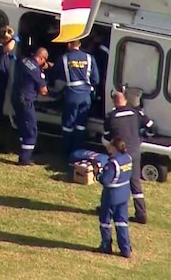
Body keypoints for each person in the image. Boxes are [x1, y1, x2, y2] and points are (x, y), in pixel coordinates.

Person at [102, 91, 154, 224]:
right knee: (135, 183)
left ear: (114, 102)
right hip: (135, 152)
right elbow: (150, 125)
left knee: (115, 181)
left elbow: (107, 137)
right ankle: (141, 213)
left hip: (121, 156)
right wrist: (142, 137)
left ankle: (109, 208)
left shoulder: (111, 117)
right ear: (126, 99)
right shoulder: (136, 113)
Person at [55, 40, 99, 156]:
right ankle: (77, 151)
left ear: (69, 44)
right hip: (86, 96)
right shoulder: (90, 58)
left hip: (71, 94)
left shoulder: (64, 58)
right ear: (79, 45)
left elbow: (56, 74)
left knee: (68, 124)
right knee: (81, 124)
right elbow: (96, 79)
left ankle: (66, 151)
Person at [94, 137, 133, 258]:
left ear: (115, 148)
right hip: (124, 193)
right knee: (122, 222)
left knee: (105, 221)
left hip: (111, 196)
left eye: (110, 145)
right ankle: (125, 249)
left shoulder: (112, 163)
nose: (108, 147)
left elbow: (105, 180)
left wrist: (98, 173)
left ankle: (106, 246)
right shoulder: (128, 158)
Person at [11, 47, 50, 166]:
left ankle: (26, 149)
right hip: (26, 100)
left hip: (15, 97)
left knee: (23, 126)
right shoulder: (36, 70)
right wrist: (42, 73)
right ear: (42, 58)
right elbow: (44, 91)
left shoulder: (24, 61)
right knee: (31, 129)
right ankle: (25, 158)